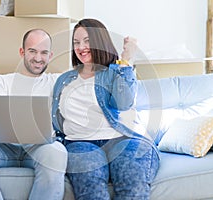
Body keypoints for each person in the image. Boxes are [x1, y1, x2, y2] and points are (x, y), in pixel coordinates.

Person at [51, 19, 160, 200]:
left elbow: (123, 103)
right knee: (91, 190)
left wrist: (127, 59)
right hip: (79, 143)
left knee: (132, 186)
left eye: (87, 40)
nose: (81, 47)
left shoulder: (114, 73)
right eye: (76, 42)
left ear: (99, 41)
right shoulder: (64, 80)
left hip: (123, 140)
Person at [0, 29, 68, 200]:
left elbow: (88, 76)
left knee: (57, 153)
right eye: (32, 51)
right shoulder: (3, 81)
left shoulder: (57, 81)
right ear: (22, 52)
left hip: (40, 147)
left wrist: (124, 58)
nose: (38, 58)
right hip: (2, 147)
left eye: (44, 52)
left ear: (50, 55)